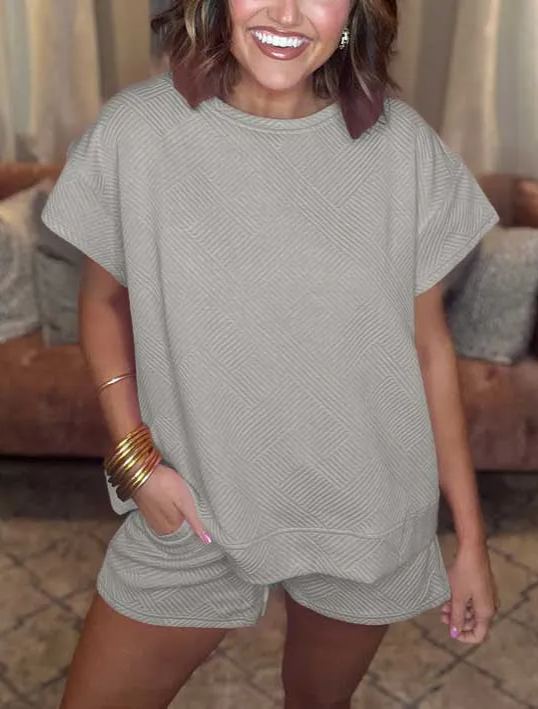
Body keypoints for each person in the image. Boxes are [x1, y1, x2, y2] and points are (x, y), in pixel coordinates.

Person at [42, 1, 500, 707]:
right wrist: (137, 463)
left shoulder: (403, 148)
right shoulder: (137, 132)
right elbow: (103, 302)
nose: (286, 12)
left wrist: (470, 540)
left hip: (362, 508)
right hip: (195, 507)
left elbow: (429, 349)